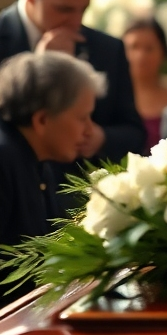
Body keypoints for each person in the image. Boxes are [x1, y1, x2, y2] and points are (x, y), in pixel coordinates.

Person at [0, 0, 146, 172]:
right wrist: (39, 69)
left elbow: (134, 134)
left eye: (83, 9)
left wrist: (101, 137)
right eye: (64, 9)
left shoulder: (108, 49)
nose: (76, 22)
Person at [0, 52, 106, 305]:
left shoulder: (37, 157)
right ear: (42, 119)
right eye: (82, 118)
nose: (90, 130)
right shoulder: (3, 159)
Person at [123, 19, 167, 152]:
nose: (141, 55)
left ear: (163, 52)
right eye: (133, 47)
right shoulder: (110, 104)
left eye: (149, 48)